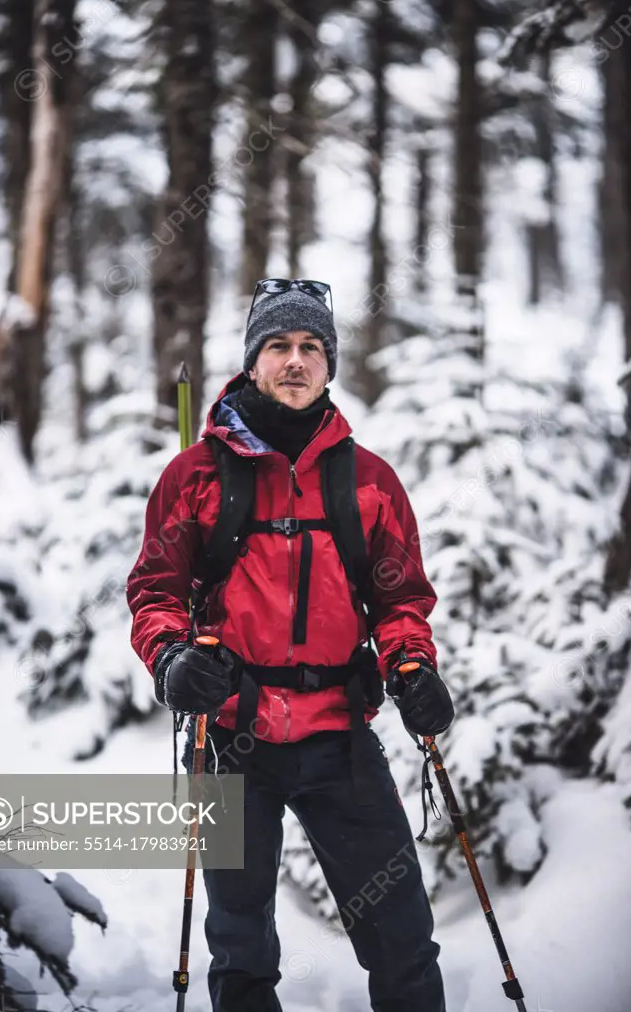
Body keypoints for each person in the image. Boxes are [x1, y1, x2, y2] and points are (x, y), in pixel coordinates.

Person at [126, 278, 454, 1012]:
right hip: (231, 734)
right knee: (242, 949)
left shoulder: (369, 481)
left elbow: (400, 599)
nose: (296, 360)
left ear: (330, 365)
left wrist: (410, 663)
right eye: (279, 345)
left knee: (403, 937)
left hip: (339, 733)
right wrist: (173, 658)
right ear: (252, 361)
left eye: (311, 347)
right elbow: (154, 593)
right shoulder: (195, 475)